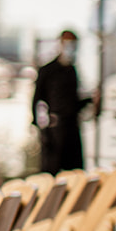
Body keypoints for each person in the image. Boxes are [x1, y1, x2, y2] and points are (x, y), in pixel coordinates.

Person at [33, 30, 88, 173]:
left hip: (72, 126)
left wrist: (89, 101)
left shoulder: (72, 70)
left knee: (75, 172)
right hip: (55, 128)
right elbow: (37, 100)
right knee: (52, 170)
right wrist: (41, 127)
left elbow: (74, 103)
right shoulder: (48, 70)